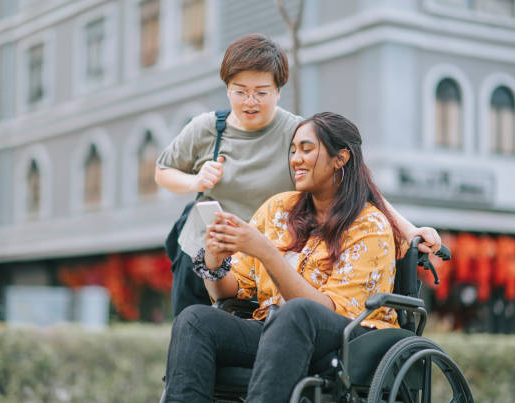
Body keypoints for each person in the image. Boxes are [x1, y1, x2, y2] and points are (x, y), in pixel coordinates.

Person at [155, 33, 440, 316]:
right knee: (190, 328)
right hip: (204, 248)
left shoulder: (298, 135)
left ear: (279, 91)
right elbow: (162, 172)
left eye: (261, 92)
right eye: (239, 91)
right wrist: (196, 181)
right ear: (227, 89)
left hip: (260, 259)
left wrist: (410, 230)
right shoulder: (205, 128)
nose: (250, 102)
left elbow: (356, 184)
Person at [163, 112, 410, 403]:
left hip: (349, 338)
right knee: (195, 320)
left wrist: (267, 253)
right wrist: (213, 259)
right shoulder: (277, 209)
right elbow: (229, 290)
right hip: (275, 333)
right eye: (293, 150)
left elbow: (327, 311)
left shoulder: (369, 226)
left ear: (340, 158)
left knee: (296, 314)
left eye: (307, 149)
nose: (296, 159)